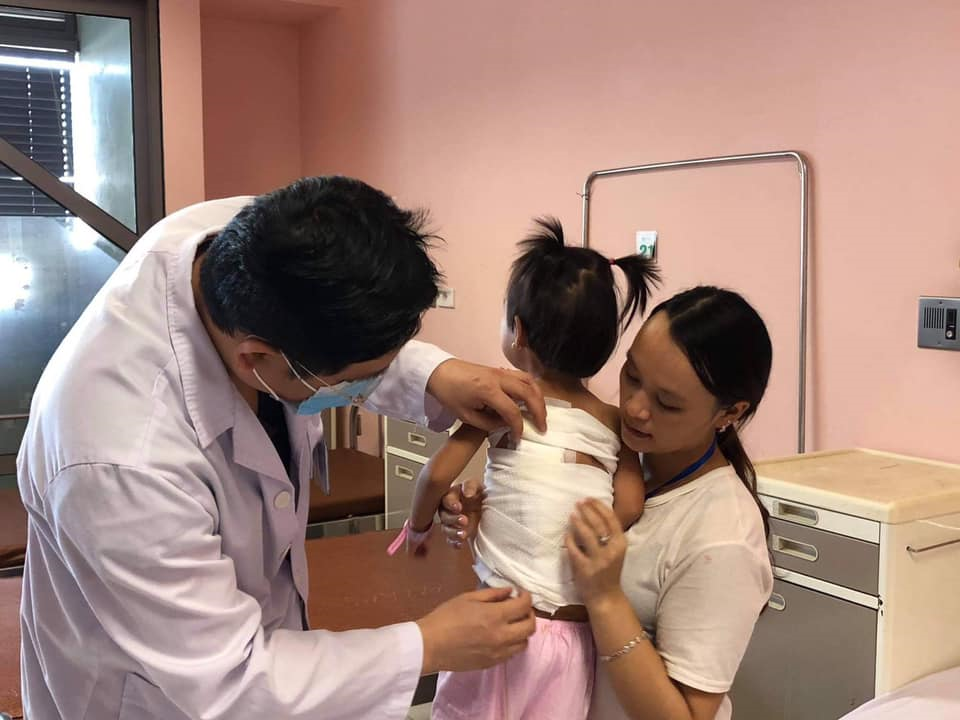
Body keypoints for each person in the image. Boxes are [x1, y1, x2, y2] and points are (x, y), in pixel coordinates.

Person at [17, 176, 541, 720]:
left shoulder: (248, 241)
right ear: (256, 359)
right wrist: (428, 645)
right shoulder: (122, 456)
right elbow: (230, 681)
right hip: (149, 697)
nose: (367, 386)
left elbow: (330, 339)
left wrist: (433, 372)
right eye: (361, 379)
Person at [441, 286, 774, 720]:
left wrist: (605, 598)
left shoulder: (724, 538)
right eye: (632, 375)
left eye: (666, 403)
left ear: (729, 413)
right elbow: (545, 573)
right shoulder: (611, 455)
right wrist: (491, 524)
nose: (634, 408)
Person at [393, 218, 657, 720]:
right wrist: (576, 530)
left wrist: (418, 529)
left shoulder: (502, 402)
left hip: (498, 625)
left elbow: (437, 476)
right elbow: (630, 502)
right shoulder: (613, 422)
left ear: (517, 331)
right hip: (575, 637)